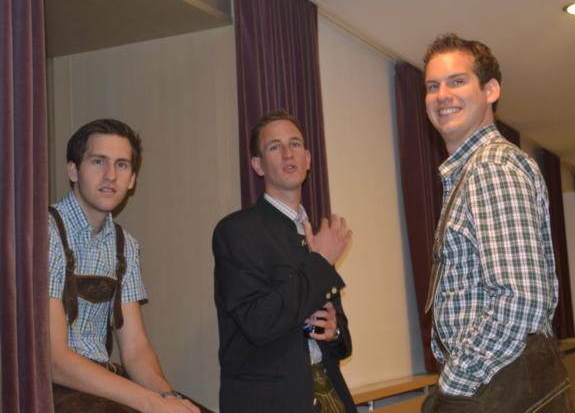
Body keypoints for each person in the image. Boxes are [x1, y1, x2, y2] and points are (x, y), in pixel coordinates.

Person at [421, 34, 574, 412]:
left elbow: (520, 300)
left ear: (490, 90)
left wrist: (454, 385)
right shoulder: (474, 170)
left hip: (490, 388)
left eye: (457, 81)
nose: (442, 95)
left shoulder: (491, 167)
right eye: (432, 86)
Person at [49, 118, 207, 413]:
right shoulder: (44, 234)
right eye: (98, 161)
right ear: (73, 170)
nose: (110, 175)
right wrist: (149, 403)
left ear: (132, 179)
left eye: (121, 165)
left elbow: (135, 349)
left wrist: (166, 397)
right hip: (52, 389)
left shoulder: (125, 245)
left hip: (103, 384)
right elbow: (54, 360)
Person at [212, 110, 357, 413]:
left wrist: (334, 332)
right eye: (275, 147)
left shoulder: (314, 234)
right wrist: (320, 261)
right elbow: (259, 323)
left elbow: (343, 343)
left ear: (308, 158)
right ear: (258, 165)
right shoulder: (236, 231)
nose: (288, 153)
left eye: (295, 144)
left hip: (330, 396)